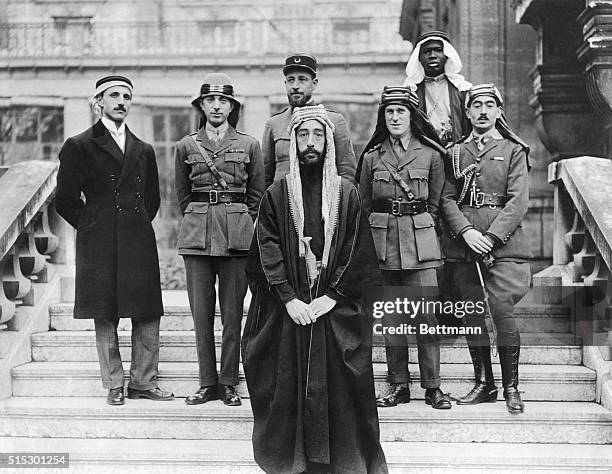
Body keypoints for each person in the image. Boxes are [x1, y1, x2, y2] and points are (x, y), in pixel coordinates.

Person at [242, 105, 387, 473]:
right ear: (293, 142)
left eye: (318, 136)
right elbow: (266, 247)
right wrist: (289, 298)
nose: (310, 143)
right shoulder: (276, 194)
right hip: (290, 311)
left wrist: (330, 296)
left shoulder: (347, 193)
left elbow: (357, 249)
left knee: (343, 388)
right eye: (303, 135)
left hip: (332, 310)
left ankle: (343, 463)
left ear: (328, 142)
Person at [55, 75, 172, 405]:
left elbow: (152, 198)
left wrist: (132, 224)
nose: (122, 101)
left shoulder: (144, 149)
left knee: (147, 311)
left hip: (138, 238)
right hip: (99, 241)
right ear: (99, 102)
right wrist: (92, 226)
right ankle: (114, 384)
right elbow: (64, 199)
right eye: (114, 95)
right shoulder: (78, 145)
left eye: (127, 96)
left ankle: (143, 382)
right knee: (105, 312)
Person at [357, 86, 451, 410]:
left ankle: (433, 387)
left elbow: (437, 204)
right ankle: (398, 385)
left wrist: (422, 232)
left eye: (401, 111)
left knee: (426, 319)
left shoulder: (431, 155)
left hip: (421, 246)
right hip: (383, 247)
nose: (395, 117)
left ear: (413, 116)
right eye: (389, 112)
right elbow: (364, 204)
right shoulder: (372, 157)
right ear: (383, 117)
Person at [440, 84, 532, 414]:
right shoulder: (454, 153)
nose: (482, 110)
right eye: (475, 104)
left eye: (489, 104)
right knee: (471, 316)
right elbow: (447, 198)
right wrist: (465, 231)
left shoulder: (514, 150)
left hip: (503, 247)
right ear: (466, 113)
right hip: (463, 246)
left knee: (502, 311)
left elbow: (519, 200)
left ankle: (511, 387)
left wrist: (490, 238)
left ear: (498, 111)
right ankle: (484, 383)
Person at [175, 73, 264, 407]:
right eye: (209, 100)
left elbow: (256, 193)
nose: (216, 106)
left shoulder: (248, 144)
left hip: (236, 237)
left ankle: (228, 382)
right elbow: (182, 194)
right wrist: (202, 216)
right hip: (197, 237)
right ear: (201, 106)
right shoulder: (186, 145)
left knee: (231, 314)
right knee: (201, 314)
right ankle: (206, 382)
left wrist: (238, 220)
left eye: (222, 100)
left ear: (231, 106)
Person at [261, 53, 357, 187]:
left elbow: (347, 174)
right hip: (282, 202)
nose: (295, 86)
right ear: (285, 84)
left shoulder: (334, 121)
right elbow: (265, 177)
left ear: (314, 83)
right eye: (290, 80)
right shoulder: (274, 124)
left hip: (322, 202)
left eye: (302, 79)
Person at [403, 31, 472, 147]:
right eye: (426, 52)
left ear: (447, 55)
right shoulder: (411, 92)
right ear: (419, 58)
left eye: (438, 50)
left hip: (457, 152)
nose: (432, 55)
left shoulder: (462, 89)